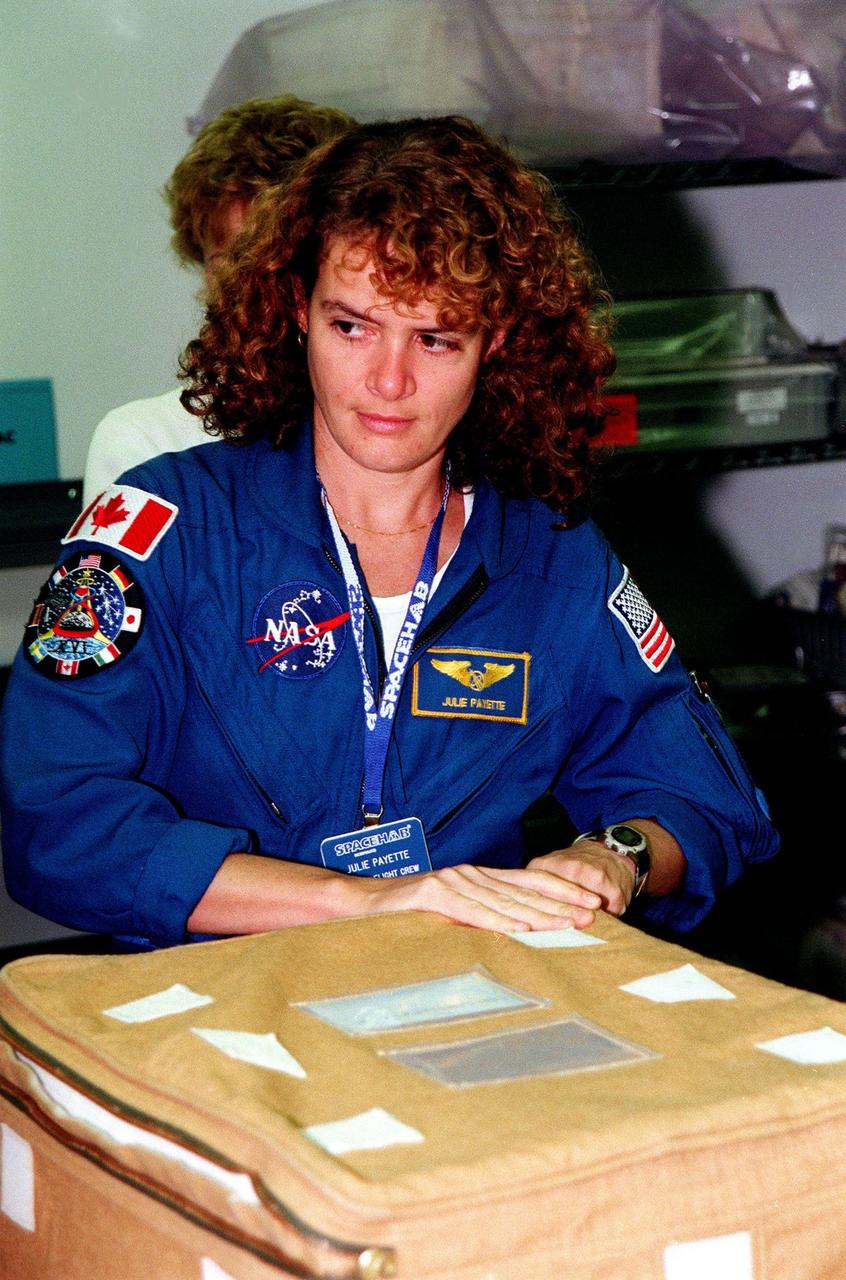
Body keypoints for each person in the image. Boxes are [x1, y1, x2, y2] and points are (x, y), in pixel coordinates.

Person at [0, 116, 778, 951]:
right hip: (215, 1012)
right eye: (353, 326)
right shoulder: (164, 534)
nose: (390, 381)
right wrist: (366, 901)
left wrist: (613, 857)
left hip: (465, 1006)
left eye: (436, 338)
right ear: (296, 309)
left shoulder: (549, 555)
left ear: (498, 340)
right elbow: (56, 824)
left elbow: (704, 797)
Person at [82, 95, 354, 504]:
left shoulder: (397, 420)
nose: (260, 286)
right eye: (235, 261)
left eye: (281, 259)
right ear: (203, 264)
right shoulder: (147, 442)